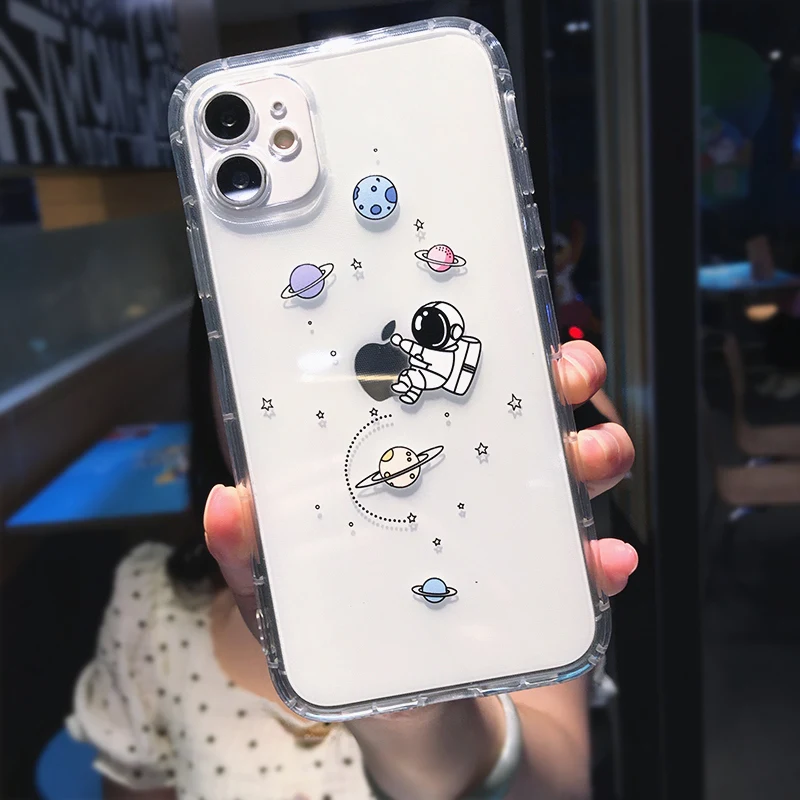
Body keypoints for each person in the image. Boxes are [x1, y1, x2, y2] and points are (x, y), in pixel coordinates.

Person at [67, 299, 637, 800]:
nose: (348, 404)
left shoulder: (512, 563)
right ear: (210, 374)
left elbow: (561, 785)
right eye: (282, 357)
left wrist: (411, 710)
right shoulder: (153, 610)